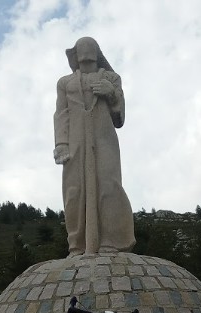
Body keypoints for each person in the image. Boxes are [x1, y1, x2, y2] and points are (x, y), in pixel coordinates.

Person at [53, 37, 135, 256]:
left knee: (109, 185)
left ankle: (112, 241)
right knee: (74, 192)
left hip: (104, 139)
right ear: (75, 54)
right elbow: (61, 114)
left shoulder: (111, 77)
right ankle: (77, 245)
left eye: (89, 45)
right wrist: (61, 143)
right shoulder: (65, 82)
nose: (85, 49)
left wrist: (111, 93)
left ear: (97, 51)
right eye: (81, 46)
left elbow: (119, 118)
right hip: (75, 143)